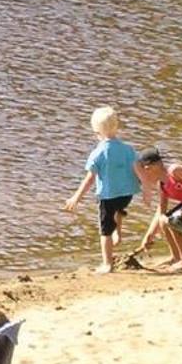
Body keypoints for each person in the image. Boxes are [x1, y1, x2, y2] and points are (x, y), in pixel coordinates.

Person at [63, 106, 139, 273]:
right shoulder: (128, 149)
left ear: (96, 131)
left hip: (108, 195)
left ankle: (107, 263)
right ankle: (118, 232)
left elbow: (90, 179)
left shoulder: (99, 153)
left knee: (105, 230)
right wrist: (145, 187)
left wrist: (76, 197)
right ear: (116, 127)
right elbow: (137, 168)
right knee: (119, 210)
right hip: (127, 194)